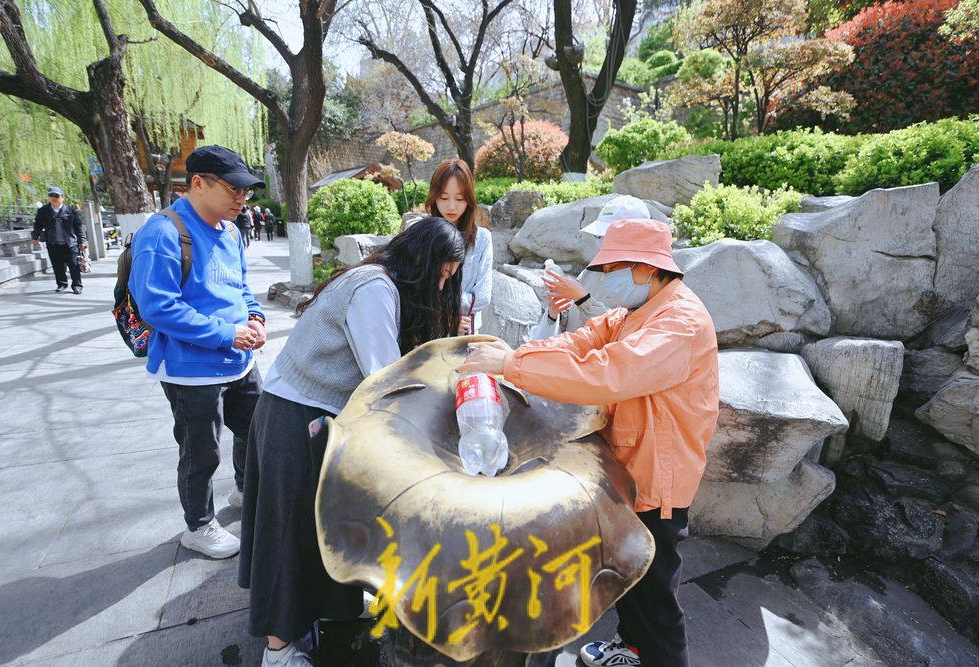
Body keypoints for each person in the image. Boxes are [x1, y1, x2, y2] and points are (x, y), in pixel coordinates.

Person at [461, 219, 719, 667]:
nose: (605, 279)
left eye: (613, 267)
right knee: (624, 570)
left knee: (654, 588)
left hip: (659, 473)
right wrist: (518, 358)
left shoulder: (681, 321)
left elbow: (608, 372)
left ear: (644, 269)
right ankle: (631, 647)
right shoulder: (632, 314)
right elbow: (583, 344)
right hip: (628, 460)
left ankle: (661, 657)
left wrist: (511, 364)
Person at [239, 217, 465, 667]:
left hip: (321, 413)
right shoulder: (374, 289)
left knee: (325, 525)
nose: (443, 286)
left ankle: (331, 611)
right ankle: (277, 651)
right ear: (421, 258)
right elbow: (383, 376)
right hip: (295, 413)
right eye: (442, 274)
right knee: (290, 534)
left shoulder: (384, 281)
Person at [129, 145, 266, 559]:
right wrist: (227, 333)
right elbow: (159, 307)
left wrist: (255, 316)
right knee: (200, 450)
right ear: (198, 183)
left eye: (247, 192)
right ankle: (199, 525)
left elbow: (239, 286)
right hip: (191, 370)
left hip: (240, 360)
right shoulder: (163, 231)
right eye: (233, 190)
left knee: (258, 428)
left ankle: (243, 490)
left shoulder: (231, 231)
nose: (242, 199)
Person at [531, 195, 656, 340]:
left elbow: (622, 334)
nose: (600, 241)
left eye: (607, 235)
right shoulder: (592, 270)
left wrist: (583, 299)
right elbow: (571, 324)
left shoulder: (646, 279)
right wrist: (555, 314)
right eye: (598, 235)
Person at [425, 159, 491, 335]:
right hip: (427, 329)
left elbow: (482, 298)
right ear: (434, 196)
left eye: (460, 198)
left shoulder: (482, 239)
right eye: (444, 197)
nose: (451, 206)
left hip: (465, 332)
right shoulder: (422, 235)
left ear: (469, 200)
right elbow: (415, 289)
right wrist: (448, 314)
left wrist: (444, 304)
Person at [31, 186, 87, 294]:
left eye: (56, 196)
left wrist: (82, 241)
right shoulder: (43, 211)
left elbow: (79, 227)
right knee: (57, 266)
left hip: (70, 243)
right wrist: (35, 237)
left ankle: (77, 286)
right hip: (53, 243)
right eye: (51, 195)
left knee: (73, 265)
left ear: (62, 198)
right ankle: (61, 284)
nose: (54, 198)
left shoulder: (71, 211)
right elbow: (37, 225)